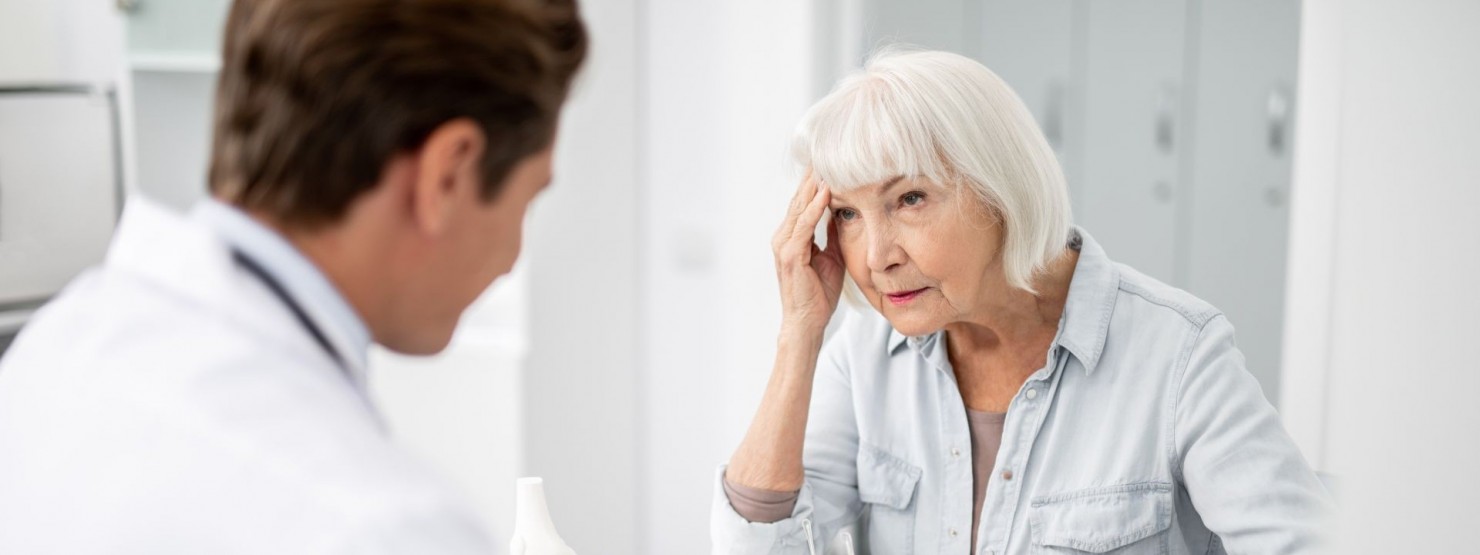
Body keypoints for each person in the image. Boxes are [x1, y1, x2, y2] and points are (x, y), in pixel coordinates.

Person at [0, 0, 585, 552]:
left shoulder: (48, 354)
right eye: (527, 199)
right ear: (448, 176)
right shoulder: (381, 527)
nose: (512, 257)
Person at [712, 49, 1331, 554]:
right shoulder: (864, 361)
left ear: (998, 187)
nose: (876, 256)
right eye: (847, 213)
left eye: (910, 200)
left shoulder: (1179, 355)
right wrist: (799, 335)